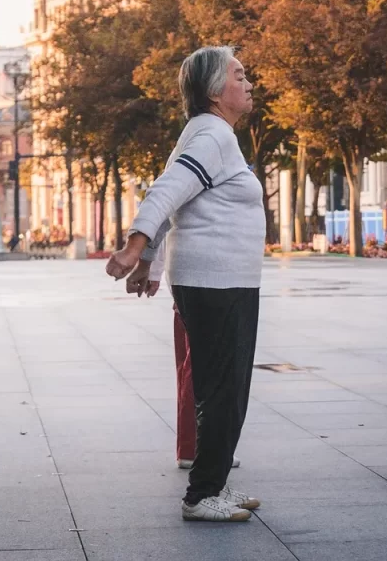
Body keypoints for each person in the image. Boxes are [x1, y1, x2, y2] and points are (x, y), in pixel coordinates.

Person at [106, 46, 265, 523]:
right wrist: (135, 249)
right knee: (223, 389)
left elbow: (175, 200)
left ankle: (214, 483)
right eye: (239, 76)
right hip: (217, 284)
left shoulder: (207, 133)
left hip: (221, 280)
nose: (249, 83)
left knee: (225, 387)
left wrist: (149, 260)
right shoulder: (212, 135)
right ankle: (201, 496)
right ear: (217, 92)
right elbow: (166, 191)